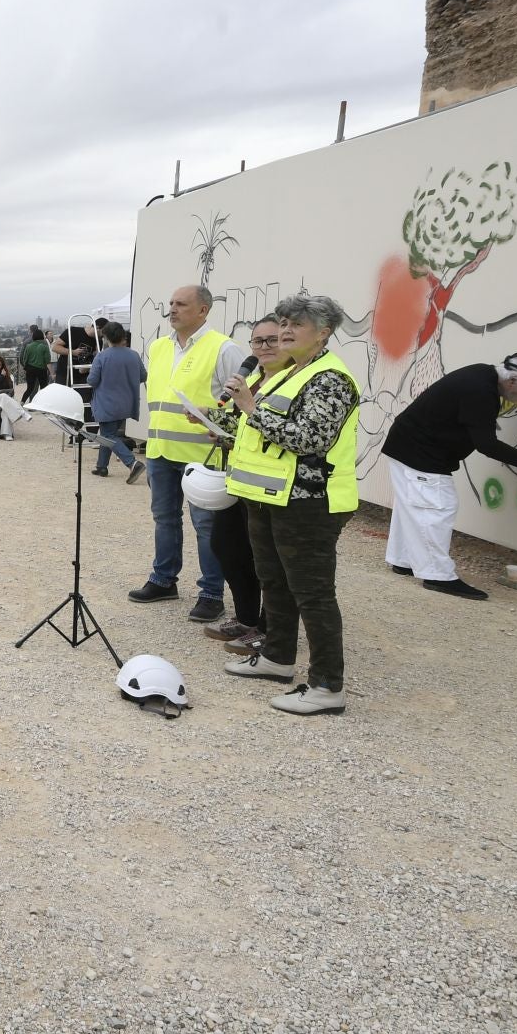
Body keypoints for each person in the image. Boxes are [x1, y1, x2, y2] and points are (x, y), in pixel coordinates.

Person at [218, 293, 361, 716]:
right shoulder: (289, 373)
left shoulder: (331, 379)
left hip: (311, 502)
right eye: (282, 323)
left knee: (313, 593)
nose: (283, 331)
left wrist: (249, 407)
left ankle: (326, 685)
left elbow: (310, 439)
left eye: (295, 324)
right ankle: (278, 657)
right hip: (270, 497)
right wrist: (225, 418)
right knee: (273, 581)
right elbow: (259, 428)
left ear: (323, 332)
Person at [381, 352, 517, 600]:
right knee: (437, 508)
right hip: (421, 452)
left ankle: (405, 559)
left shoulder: (482, 375)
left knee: (413, 507)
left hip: (406, 444)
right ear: (513, 380)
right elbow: (487, 445)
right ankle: (438, 576)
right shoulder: (481, 390)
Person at [131, 285, 247, 623]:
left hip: (203, 456)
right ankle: (163, 579)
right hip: (161, 450)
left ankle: (211, 593)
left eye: (181, 304)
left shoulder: (224, 349)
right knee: (164, 519)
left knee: (207, 526)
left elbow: (246, 400)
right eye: (170, 303)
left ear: (203, 310)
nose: (173, 309)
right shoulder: (158, 347)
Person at [194, 315, 292, 654]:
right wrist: (214, 419)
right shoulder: (255, 378)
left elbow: (283, 433)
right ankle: (247, 618)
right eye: (257, 341)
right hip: (242, 482)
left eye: (272, 340)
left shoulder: (293, 381)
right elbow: (246, 425)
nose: (263, 348)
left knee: (268, 562)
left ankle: (268, 628)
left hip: (275, 487)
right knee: (227, 547)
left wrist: (247, 406)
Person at [86, 326, 147, 482]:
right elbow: (143, 376)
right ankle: (102, 466)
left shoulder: (102, 356)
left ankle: (132, 463)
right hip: (127, 403)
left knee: (108, 435)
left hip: (107, 404)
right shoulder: (133, 355)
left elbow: (92, 381)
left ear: (106, 337)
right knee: (108, 433)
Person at [20, 326, 52, 403]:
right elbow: (47, 360)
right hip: (41, 369)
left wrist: (25, 367)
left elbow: (24, 358)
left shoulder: (28, 345)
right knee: (43, 388)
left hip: (30, 369)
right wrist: (52, 372)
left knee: (30, 388)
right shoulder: (45, 345)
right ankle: (42, 404)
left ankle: (23, 402)